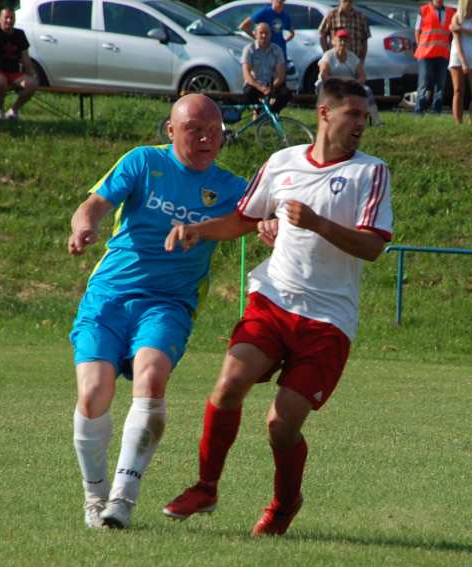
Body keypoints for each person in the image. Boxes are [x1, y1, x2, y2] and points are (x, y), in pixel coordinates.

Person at [161, 78, 393, 537]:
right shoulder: (282, 163)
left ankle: (285, 504)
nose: (361, 125)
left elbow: (371, 248)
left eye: (365, 117)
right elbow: (245, 219)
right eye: (353, 115)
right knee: (228, 385)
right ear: (325, 114)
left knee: (280, 425)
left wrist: (318, 223)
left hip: (328, 321)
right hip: (273, 298)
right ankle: (206, 487)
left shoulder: (372, 173)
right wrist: (199, 230)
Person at [67, 94, 247, 530]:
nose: (206, 137)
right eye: (194, 129)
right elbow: (93, 203)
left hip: (168, 303)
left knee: (151, 376)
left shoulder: (231, 187)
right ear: (171, 131)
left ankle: (122, 501)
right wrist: (84, 224)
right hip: (109, 295)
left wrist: (267, 225)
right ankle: (94, 496)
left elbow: (250, 220)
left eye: (214, 129)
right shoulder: (144, 162)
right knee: (93, 394)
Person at [0, 7, 38, 121]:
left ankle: (13, 110)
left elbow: (26, 60)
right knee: (2, 82)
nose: (9, 20)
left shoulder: (20, 34)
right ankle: (0, 110)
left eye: (11, 18)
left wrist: (32, 74)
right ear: (0, 19)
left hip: (14, 73)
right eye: (6, 18)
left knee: (32, 84)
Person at [317, 29, 382, 125]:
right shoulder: (328, 56)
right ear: (334, 41)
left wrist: (355, 83)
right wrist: (339, 83)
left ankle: (377, 121)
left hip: (348, 84)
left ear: (349, 43)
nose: (342, 42)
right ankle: (325, 118)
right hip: (331, 84)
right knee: (321, 86)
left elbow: (362, 76)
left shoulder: (353, 57)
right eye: (340, 39)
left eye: (345, 40)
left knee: (367, 90)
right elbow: (323, 75)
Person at [412, 0, 456, 114]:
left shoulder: (450, 12)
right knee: (424, 83)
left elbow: (451, 33)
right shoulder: (424, 10)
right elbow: (417, 31)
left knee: (440, 84)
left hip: (442, 53)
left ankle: (436, 110)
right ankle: (419, 110)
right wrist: (420, 46)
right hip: (425, 53)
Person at [242, 22, 292, 114]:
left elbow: (281, 75)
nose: (264, 36)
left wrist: (271, 87)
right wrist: (261, 88)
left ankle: (272, 113)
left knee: (286, 93)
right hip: (255, 84)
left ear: (270, 34)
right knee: (247, 93)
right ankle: (258, 112)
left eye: (267, 33)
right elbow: (246, 74)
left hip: (272, 84)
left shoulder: (277, 50)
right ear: (255, 34)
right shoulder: (249, 49)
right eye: (261, 33)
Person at [448, 0, 472, 124]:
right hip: (458, 56)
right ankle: (458, 122)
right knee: (458, 89)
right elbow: (457, 41)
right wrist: (463, 62)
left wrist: (462, 29)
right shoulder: (456, 16)